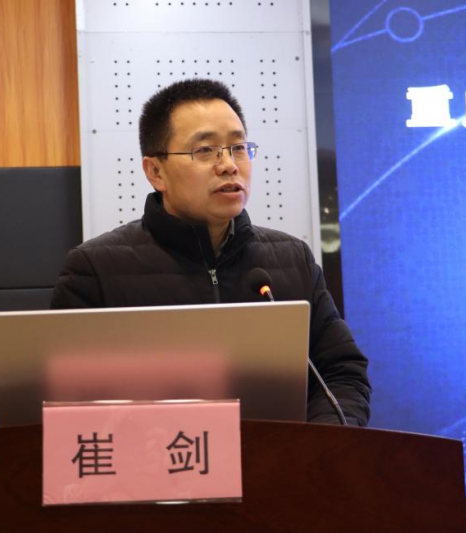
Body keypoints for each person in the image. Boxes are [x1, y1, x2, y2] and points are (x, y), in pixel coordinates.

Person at [51, 78, 371, 426]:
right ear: (155, 172)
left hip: (278, 458)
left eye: (238, 147)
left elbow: (341, 373)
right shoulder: (96, 269)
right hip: (158, 458)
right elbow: (67, 402)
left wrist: (314, 445)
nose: (229, 165)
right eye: (205, 150)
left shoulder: (292, 259)